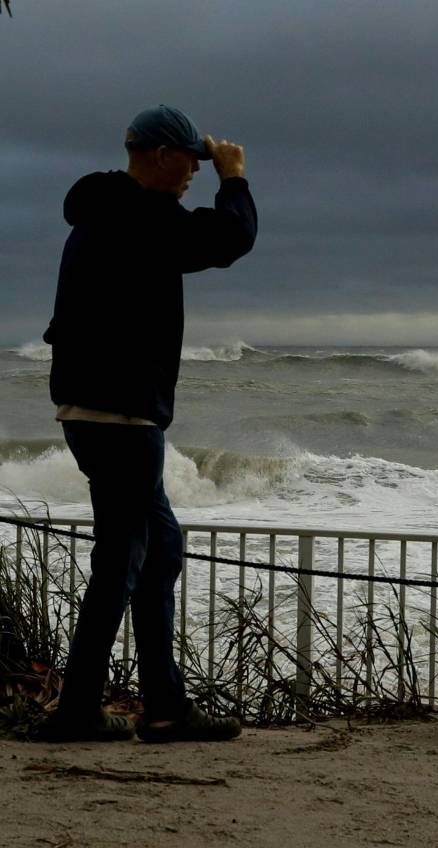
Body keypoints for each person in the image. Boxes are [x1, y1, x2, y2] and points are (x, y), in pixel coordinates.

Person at [39, 105, 257, 742]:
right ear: (161, 155)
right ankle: (77, 710)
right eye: (190, 160)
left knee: (158, 549)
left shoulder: (103, 211)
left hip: (92, 407)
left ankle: (165, 706)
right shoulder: (141, 217)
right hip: (122, 413)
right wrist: (235, 178)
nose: (194, 171)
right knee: (123, 557)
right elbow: (229, 240)